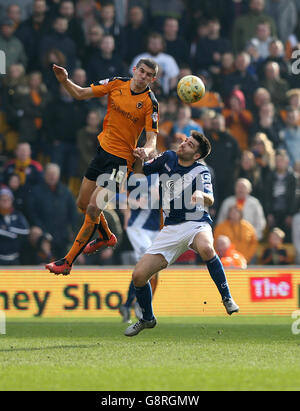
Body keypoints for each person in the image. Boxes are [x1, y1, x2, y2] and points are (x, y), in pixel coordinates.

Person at [45, 58, 159, 275]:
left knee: (93, 208)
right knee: (82, 204)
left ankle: (67, 261)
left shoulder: (150, 102)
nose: (143, 76)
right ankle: (107, 237)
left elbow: (152, 138)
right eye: (141, 71)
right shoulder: (116, 83)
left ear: (153, 79)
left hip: (121, 163)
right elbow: (80, 94)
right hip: (102, 154)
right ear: (134, 70)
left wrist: (146, 150)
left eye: (148, 75)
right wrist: (65, 81)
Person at [124, 131, 239, 337]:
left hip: (196, 223)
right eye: (186, 140)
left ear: (196, 155)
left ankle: (227, 297)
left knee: (206, 248)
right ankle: (148, 318)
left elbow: (210, 200)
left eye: (190, 144)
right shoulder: (167, 157)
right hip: (170, 228)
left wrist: (201, 195)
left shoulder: (201, 171)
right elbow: (141, 173)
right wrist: (140, 158)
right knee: (139, 276)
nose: (184, 144)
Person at [119, 173, 161, 323]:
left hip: (156, 229)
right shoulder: (137, 174)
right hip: (138, 227)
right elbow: (117, 194)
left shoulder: (169, 175)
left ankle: (128, 304)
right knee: (148, 266)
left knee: (154, 270)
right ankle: (139, 304)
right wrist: (133, 203)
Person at [0, 187, 30, 265]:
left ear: (11, 200)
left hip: (14, 257)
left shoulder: (17, 214)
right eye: (3, 199)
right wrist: (12, 234)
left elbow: (25, 230)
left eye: (8, 199)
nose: (5, 202)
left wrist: (8, 229)